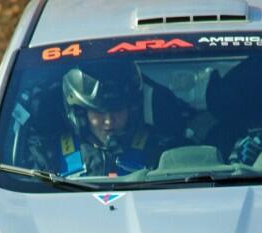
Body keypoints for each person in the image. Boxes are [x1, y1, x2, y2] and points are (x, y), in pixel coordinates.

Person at [28, 62, 172, 177]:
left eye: (118, 110)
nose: (109, 121)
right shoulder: (50, 153)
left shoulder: (158, 150)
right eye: (98, 112)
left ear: (131, 110)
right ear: (80, 113)